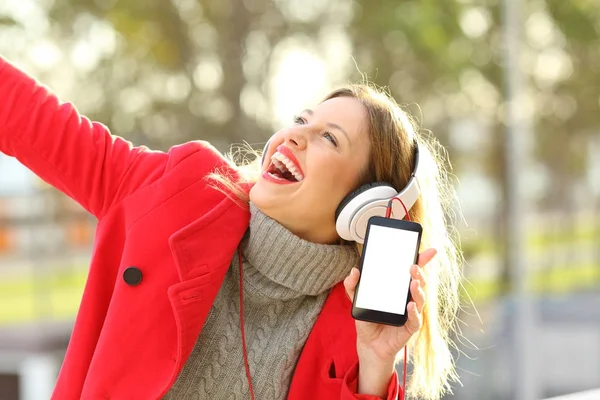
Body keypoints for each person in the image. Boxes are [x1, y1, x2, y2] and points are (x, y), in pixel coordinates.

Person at [0, 55, 462, 400]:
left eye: (328, 138)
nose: (294, 135)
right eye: (302, 120)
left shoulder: (355, 331)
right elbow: (33, 122)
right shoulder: (178, 193)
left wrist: (376, 367)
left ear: (365, 207)